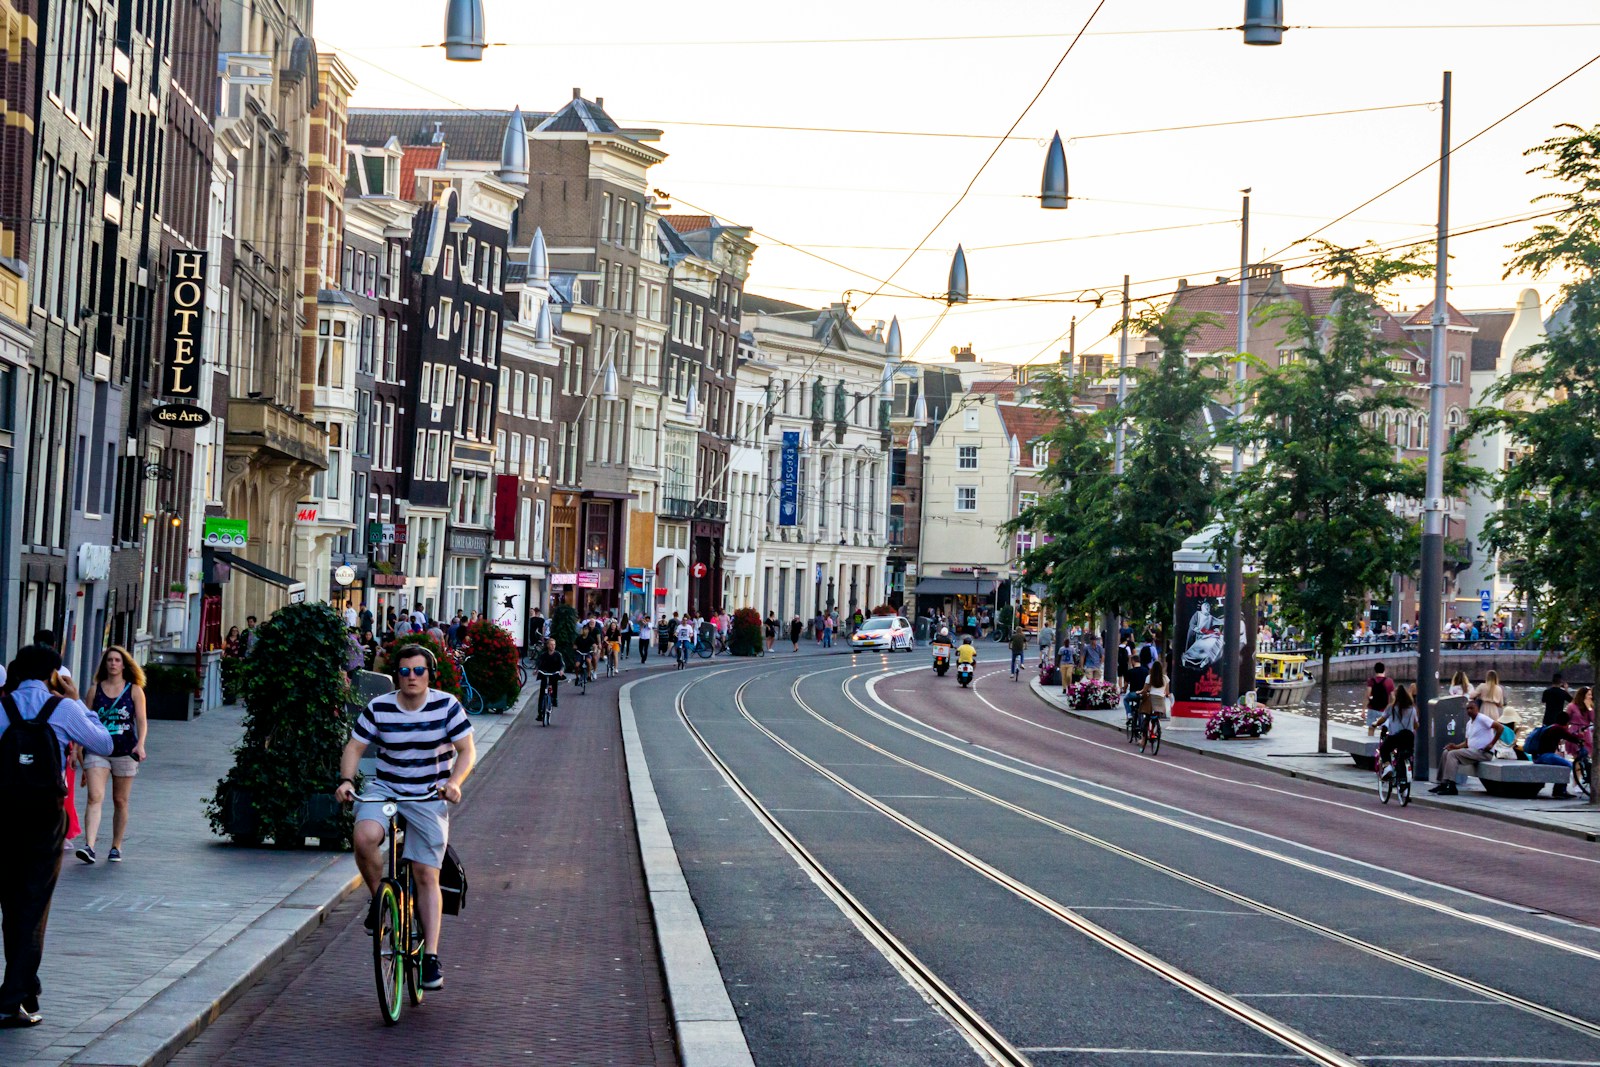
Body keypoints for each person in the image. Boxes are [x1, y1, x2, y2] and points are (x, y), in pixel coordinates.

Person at [336, 645, 474, 993]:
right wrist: (347, 781)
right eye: (404, 671)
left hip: (429, 794)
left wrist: (454, 783)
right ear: (396, 675)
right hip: (386, 790)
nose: (411, 677)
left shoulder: (446, 706)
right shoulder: (379, 707)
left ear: (430, 673)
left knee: (426, 873)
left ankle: (431, 956)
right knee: (365, 836)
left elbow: (466, 750)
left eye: (418, 671)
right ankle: (379, 900)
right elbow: (355, 747)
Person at [0, 644, 114, 1026]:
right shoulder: (63, 708)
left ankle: (25, 991)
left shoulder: (1, 705)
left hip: (4, 813)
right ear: (53, 674)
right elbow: (106, 743)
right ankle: (12, 998)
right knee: (34, 903)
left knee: (11, 902)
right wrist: (78, 701)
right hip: (44, 816)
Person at [76, 647, 147, 865]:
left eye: (117, 660)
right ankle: (90, 845)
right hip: (98, 749)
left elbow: (142, 720)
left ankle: (116, 846)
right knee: (94, 796)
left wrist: (140, 745)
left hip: (125, 750)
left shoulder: (134, 690)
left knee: (120, 800)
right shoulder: (94, 690)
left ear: (124, 665)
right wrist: (79, 749)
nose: (113, 664)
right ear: (104, 664)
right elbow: (86, 721)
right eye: (109, 660)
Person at [1432, 696, 1500, 795]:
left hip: (1483, 753)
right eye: (1467, 708)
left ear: (1477, 709)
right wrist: (1455, 747)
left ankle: (1451, 785)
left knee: (1452, 755)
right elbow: (1467, 743)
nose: (1469, 710)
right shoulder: (1469, 724)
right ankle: (1443, 783)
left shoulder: (1482, 718)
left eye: (1471, 708)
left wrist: (1492, 744)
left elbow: (1500, 728)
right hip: (1473, 752)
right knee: (1447, 752)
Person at [1521, 710, 1588, 799]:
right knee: (1568, 764)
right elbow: (1571, 738)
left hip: (1538, 756)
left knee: (1563, 763)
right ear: (1566, 722)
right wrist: (1581, 735)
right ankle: (1560, 790)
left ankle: (1559, 789)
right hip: (1544, 756)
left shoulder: (1552, 727)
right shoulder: (1558, 729)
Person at [1377, 684, 1418, 778]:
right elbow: (1416, 725)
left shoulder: (1391, 707)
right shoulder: (1412, 709)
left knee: (1384, 749)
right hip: (1409, 737)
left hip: (1395, 737)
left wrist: (1375, 724)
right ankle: (1403, 778)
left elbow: (1382, 720)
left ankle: (1388, 767)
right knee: (1404, 752)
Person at [533, 638, 566, 710]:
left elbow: (562, 664)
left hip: (554, 673)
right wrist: (536, 669)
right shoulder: (543, 655)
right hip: (544, 673)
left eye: (554, 645)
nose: (553, 646)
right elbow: (538, 662)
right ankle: (540, 712)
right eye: (551, 645)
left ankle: (555, 698)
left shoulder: (558, 655)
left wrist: (561, 670)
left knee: (554, 683)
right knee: (542, 691)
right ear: (547, 645)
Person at [1365, 662, 1396, 737]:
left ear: (1375, 670)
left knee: (1371, 728)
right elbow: (1393, 697)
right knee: (1385, 729)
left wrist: (1363, 710)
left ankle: (1370, 744)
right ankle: (1382, 744)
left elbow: (1367, 695)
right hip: (1385, 709)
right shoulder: (1389, 681)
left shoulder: (1371, 681)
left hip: (1372, 708)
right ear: (1384, 670)